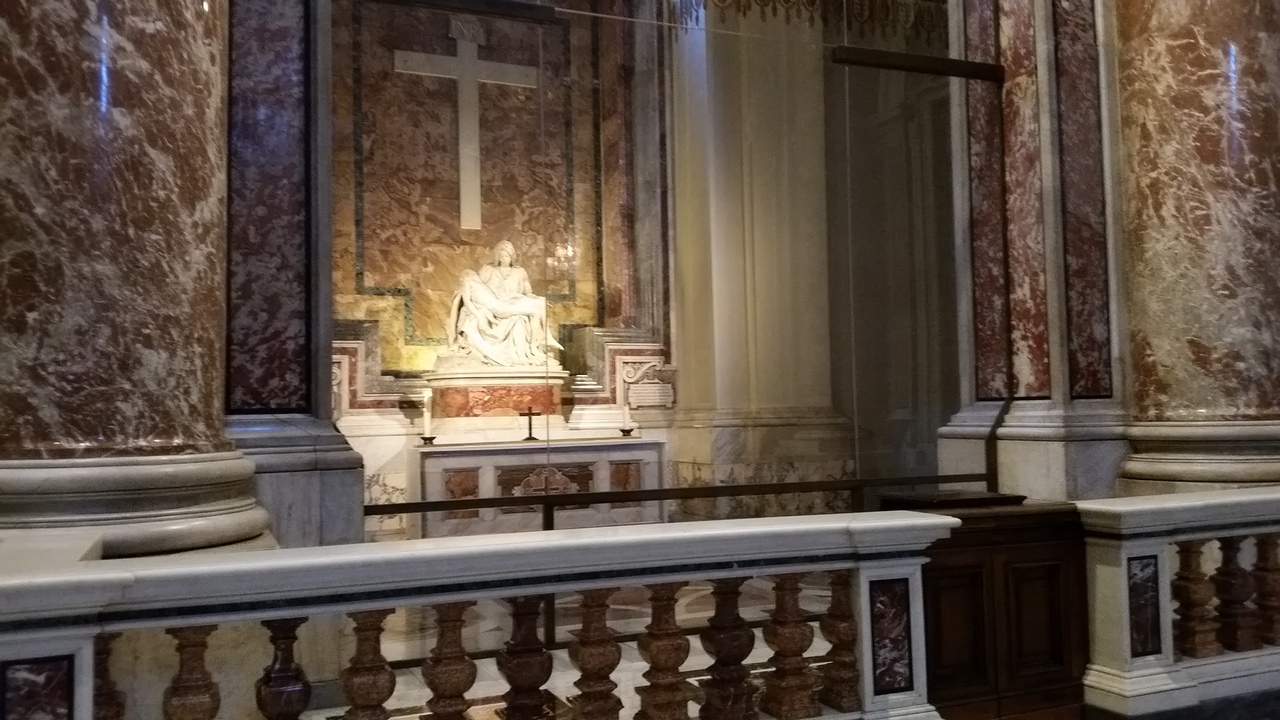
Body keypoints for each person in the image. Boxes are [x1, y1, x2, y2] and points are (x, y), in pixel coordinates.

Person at [444, 241, 563, 367]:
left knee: (540, 304)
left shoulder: (520, 272)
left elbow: (528, 293)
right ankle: (535, 346)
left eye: (507, 256)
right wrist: (478, 312)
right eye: (501, 256)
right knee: (522, 318)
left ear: (512, 257)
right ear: (497, 257)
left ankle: (538, 345)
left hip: (513, 302)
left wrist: (536, 298)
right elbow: (477, 289)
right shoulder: (488, 270)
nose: (504, 259)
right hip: (496, 308)